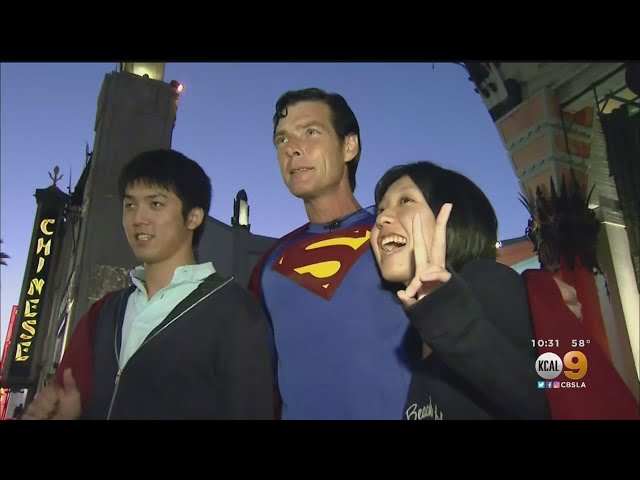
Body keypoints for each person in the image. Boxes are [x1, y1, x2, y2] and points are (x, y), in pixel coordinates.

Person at [248, 87, 583, 420]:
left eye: (310, 132)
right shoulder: (268, 266)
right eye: (281, 139)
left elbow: (470, 278)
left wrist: (537, 299)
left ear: (349, 146)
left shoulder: (403, 235)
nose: (292, 148)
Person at [22, 149, 274, 420]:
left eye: (155, 204)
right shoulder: (105, 313)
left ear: (193, 217)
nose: (138, 219)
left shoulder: (234, 311)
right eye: (130, 205)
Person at [371, 161, 551, 419]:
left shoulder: (487, 280)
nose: (381, 219)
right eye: (380, 210)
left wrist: (448, 319)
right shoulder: (413, 333)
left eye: (406, 201)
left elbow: (545, 399)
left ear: (453, 218)